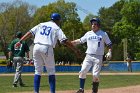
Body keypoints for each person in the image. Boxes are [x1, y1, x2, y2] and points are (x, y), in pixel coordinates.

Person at [15, 13, 80, 93]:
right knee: (51, 71)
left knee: (38, 71)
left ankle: (36, 91)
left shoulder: (41, 24)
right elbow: (64, 40)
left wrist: (20, 41)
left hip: (36, 47)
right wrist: (75, 49)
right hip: (46, 47)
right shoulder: (56, 28)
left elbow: (30, 33)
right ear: (58, 20)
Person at [71, 18, 112, 93]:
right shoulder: (88, 33)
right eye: (92, 24)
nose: (93, 25)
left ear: (99, 25)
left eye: (95, 24)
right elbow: (80, 40)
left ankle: (94, 90)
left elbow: (109, 44)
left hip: (98, 57)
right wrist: (71, 42)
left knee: (95, 75)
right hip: (88, 56)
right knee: (82, 71)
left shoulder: (103, 34)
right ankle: (81, 89)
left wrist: (109, 52)